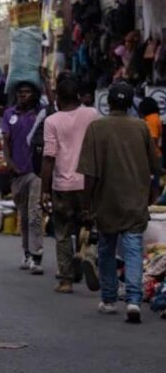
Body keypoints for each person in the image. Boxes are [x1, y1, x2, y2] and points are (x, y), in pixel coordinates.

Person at [77, 81, 159, 324]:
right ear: (130, 103)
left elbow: (89, 173)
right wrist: (151, 194)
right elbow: (155, 167)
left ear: (109, 102)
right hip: (135, 200)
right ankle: (133, 300)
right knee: (133, 249)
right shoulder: (142, 128)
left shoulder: (97, 128)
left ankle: (110, 299)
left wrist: (86, 205)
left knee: (106, 249)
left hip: (106, 201)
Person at [40, 77, 99, 294]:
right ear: (78, 96)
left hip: (62, 186)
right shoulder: (92, 114)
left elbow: (48, 158)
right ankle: (85, 253)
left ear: (59, 99)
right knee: (89, 224)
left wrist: (44, 191)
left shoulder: (52, 121)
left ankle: (65, 280)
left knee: (63, 232)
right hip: (89, 183)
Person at [1, 81, 44, 275]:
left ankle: (37, 255)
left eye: (27, 92)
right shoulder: (9, 114)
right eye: (20, 93)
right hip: (17, 171)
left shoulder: (40, 114)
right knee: (24, 215)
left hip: (36, 172)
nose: (23, 96)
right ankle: (27, 252)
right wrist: (9, 163)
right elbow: (6, 142)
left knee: (35, 213)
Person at [139, 97, 162, 200]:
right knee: (154, 182)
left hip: (153, 155)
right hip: (156, 154)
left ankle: (154, 202)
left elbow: (152, 139)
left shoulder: (152, 119)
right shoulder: (155, 117)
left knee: (153, 183)